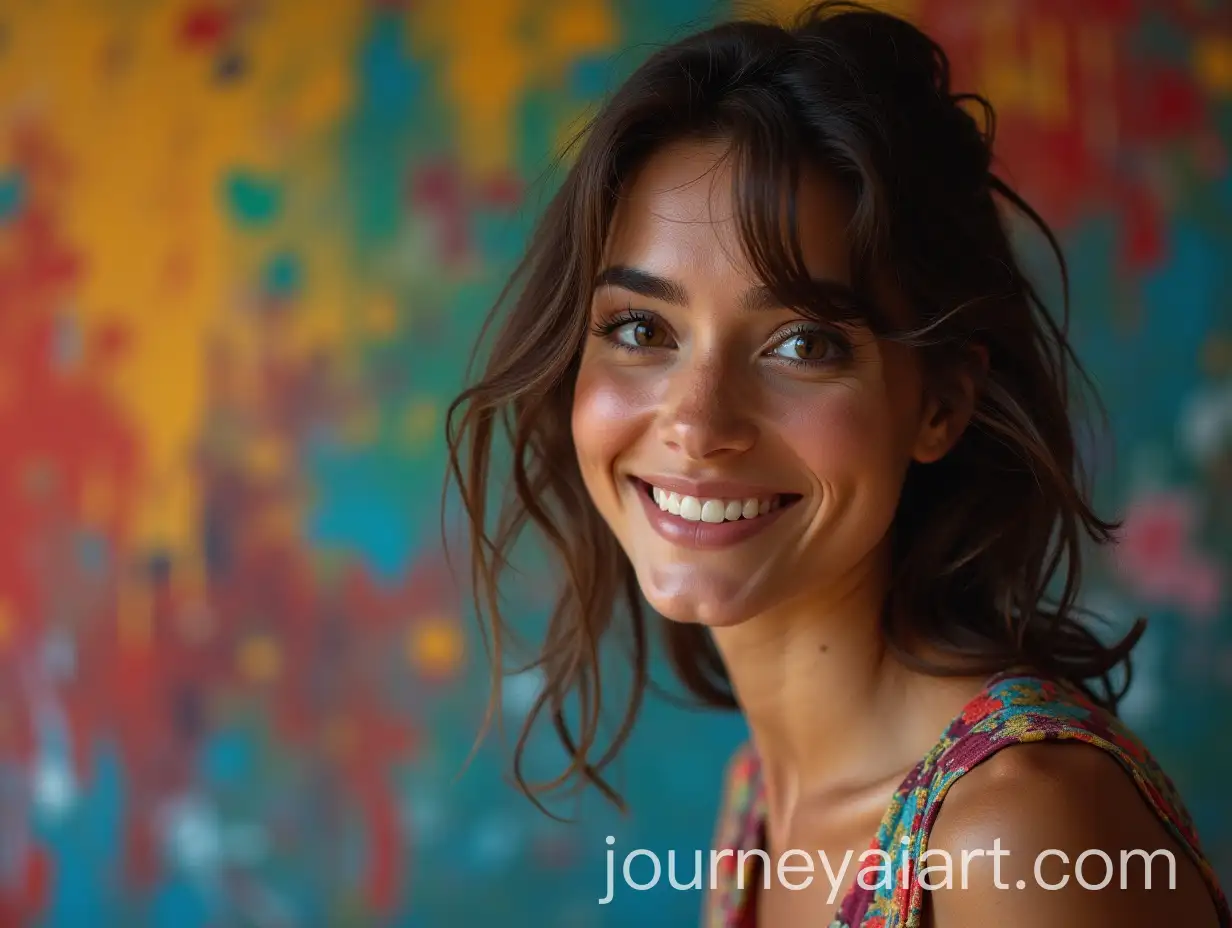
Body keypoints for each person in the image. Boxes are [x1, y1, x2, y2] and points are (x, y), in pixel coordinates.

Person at [444, 2, 1231, 925]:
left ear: (938, 403)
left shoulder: (1016, 836)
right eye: (640, 328)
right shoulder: (762, 799)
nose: (697, 425)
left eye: (802, 345)